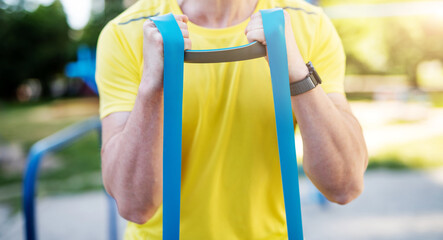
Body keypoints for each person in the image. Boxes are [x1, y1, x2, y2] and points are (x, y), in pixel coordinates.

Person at [96, 0, 368, 239]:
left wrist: (297, 73)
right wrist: (152, 91)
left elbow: (344, 185)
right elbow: (134, 205)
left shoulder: (309, 25)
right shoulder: (126, 33)